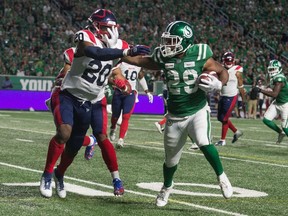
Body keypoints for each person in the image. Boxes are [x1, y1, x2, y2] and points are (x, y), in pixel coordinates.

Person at [39, 9, 150, 199]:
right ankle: (47, 174)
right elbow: (94, 51)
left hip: (90, 101)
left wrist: (165, 62)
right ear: (96, 27)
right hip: (69, 94)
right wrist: (124, 52)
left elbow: (136, 61)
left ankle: (59, 174)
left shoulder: (118, 46)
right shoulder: (86, 36)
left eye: (112, 28)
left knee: (74, 146)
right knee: (64, 132)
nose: (109, 32)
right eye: (106, 28)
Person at [123, 20, 233, 207]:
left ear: (185, 41)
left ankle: (222, 176)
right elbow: (144, 61)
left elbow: (222, 71)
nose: (168, 45)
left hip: (197, 109)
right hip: (174, 115)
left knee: (203, 141)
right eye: (167, 40)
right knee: (170, 161)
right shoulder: (164, 56)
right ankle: (167, 187)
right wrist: (122, 54)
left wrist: (218, 85)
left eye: (173, 41)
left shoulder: (200, 53)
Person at [45, 46, 98, 161]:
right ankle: (91, 141)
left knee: (68, 134)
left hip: (79, 97)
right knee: (64, 133)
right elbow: (64, 73)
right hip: (64, 94)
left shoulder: (98, 57)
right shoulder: (73, 53)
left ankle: (91, 141)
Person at [109, 61, 153, 148]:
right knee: (115, 116)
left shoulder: (138, 64)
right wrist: (116, 83)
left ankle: (121, 139)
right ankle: (113, 128)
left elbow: (140, 77)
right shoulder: (120, 63)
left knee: (126, 116)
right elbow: (109, 77)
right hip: (118, 92)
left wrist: (147, 91)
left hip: (131, 93)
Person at [215, 52, 245, 146]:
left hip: (232, 96)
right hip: (222, 95)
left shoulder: (237, 69)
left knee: (224, 118)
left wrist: (243, 98)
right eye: (227, 61)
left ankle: (222, 140)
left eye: (230, 60)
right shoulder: (220, 67)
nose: (229, 62)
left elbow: (240, 84)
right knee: (220, 118)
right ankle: (236, 131)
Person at [255, 60, 288, 144]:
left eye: (273, 69)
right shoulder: (275, 77)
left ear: (278, 69)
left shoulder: (279, 78)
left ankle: (283, 131)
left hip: (285, 103)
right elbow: (272, 88)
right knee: (266, 119)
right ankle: (281, 132)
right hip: (277, 102)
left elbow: (274, 94)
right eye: (271, 69)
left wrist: (260, 90)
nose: (271, 71)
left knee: (285, 126)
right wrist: (265, 87)